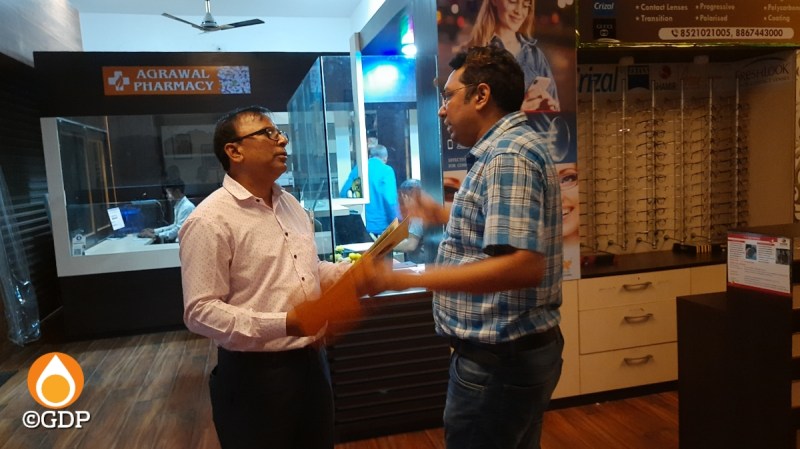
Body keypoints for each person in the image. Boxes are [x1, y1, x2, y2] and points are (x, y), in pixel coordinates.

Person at [367, 46, 564, 449]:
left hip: (498, 363)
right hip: (507, 357)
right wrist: (442, 213)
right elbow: (498, 220)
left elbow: (522, 266)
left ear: (481, 95)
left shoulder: (507, 155)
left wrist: (407, 278)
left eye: (449, 96)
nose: (442, 110)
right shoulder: (508, 149)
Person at [178, 105, 372, 449]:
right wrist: (285, 323)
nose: (282, 140)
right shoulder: (209, 220)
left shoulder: (290, 204)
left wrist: (352, 274)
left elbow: (309, 270)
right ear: (234, 151)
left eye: (279, 132)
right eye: (267, 133)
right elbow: (200, 311)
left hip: (314, 362)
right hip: (255, 376)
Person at [465, 0, 560, 112]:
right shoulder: (475, 54)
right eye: (513, 1)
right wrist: (518, 112)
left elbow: (556, 109)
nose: (519, 11)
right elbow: (468, 114)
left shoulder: (535, 56)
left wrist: (551, 110)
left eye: (526, 5)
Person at [340, 143, 401, 237]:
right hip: (381, 228)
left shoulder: (358, 169)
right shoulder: (386, 171)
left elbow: (344, 194)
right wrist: (397, 222)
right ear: (385, 158)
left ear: (370, 156)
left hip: (359, 227)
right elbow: (390, 199)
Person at [138, 178, 195, 243]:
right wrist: (154, 231)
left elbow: (178, 230)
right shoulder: (179, 205)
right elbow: (175, 226)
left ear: (177, 191)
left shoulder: (187, 207)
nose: (167, 196)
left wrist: (156, 235)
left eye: (168, 193)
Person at [393, 178, 425, 263]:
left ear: (405, 196)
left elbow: (410, 245)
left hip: (420, 265)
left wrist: (386, 247)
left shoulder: (417, 216)